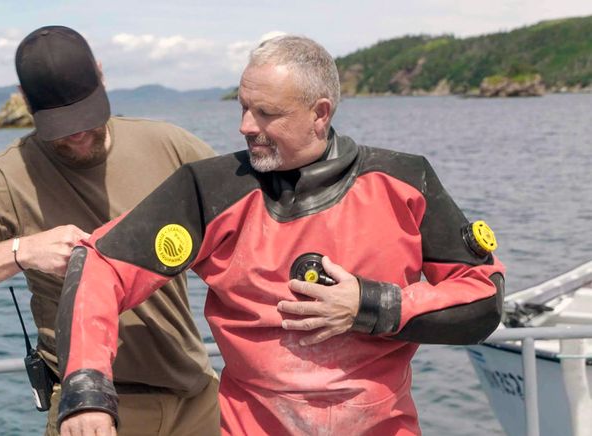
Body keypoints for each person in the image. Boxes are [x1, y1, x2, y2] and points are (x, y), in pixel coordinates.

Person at [55, 34, 506, 436]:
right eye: (244, 107)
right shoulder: (210, 190)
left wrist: (370, 306)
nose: (246, 126)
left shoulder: (405, 182)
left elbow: (483, 300)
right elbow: (101, 264)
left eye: (267, 113)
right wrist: (86, 388)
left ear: (319, 114)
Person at [0, 25, 220, 436]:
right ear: (25, 100)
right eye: (60, 123)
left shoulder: (172, 146)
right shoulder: (7, 179)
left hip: (199, 400)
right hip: (95, 413)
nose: (77, 132)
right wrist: (20, 251)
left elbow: (255, 230)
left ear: (101, 76)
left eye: (85, 113)